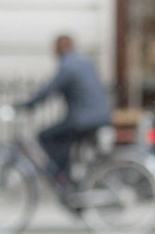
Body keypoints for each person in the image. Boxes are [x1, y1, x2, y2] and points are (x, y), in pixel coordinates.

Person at [16, 35, 111, 187]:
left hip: (83, 120)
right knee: (65, 141)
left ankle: (62, 176)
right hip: (99, 116)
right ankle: (70, 179)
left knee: (46, 136)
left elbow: (49, 89)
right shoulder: (84, 62)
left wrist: (28, 105)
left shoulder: (68, 66)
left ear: (58, 48)